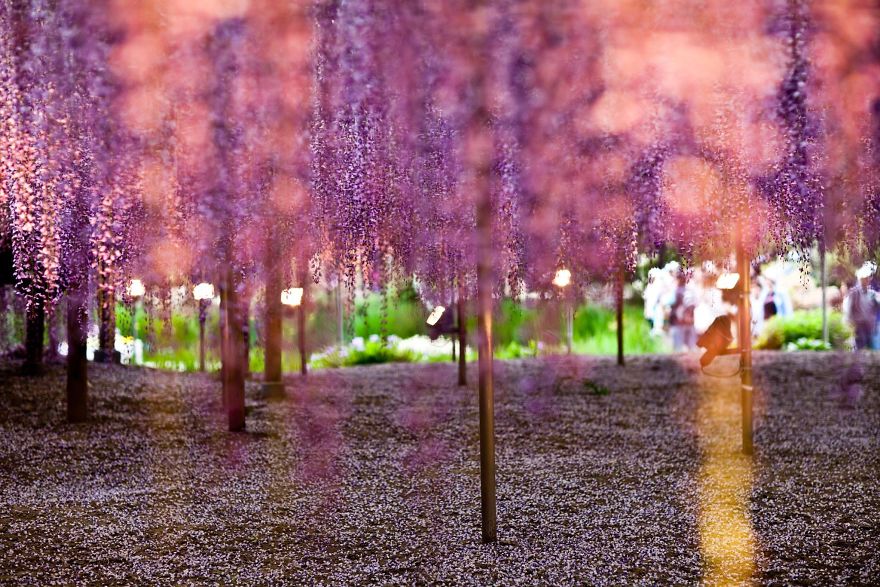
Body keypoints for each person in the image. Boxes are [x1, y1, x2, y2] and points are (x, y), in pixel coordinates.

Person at [844, 264, 878, 350]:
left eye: (868, 278)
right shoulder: (854, 294)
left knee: (871, 346)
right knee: (859, 346)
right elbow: (848, 308)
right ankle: (855, 361)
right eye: (864, 278)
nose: (867, 280)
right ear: (860, 279)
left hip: (870, 325)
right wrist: (849, 321)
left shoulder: (872, 294)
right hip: (859, 325)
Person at [668, 273, 697, 351]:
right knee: (691, 346)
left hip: (677, 322)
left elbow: (669, 302)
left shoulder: (675, 292)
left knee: (678, 347)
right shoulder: (690, 292)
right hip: (689, 322)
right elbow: (695, 304)